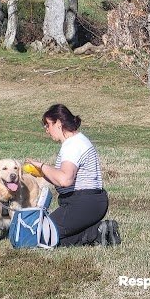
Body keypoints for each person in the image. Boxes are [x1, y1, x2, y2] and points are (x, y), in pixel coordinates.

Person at [26, 104, 120, 246]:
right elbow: (61, 177)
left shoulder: (72, 145)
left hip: (83, 203)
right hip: (91, 202)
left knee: (41, 236)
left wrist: (42, 166)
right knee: (48, 234)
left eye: (47, 125)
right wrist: (41, 172)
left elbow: (65, 179)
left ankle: (96, 233)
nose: (46, 130)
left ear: (58, 123)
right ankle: (99, 231)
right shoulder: (79, 140)